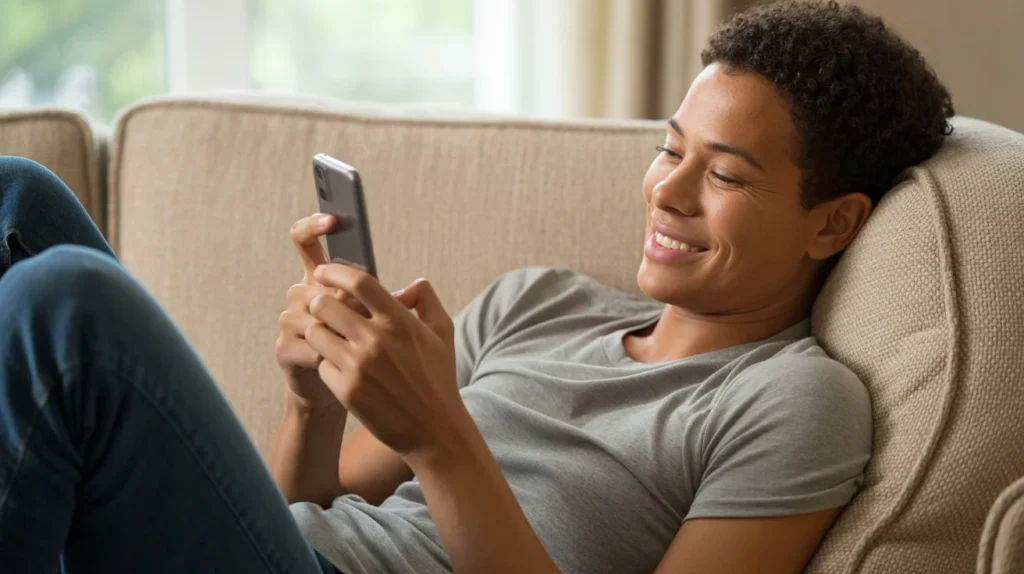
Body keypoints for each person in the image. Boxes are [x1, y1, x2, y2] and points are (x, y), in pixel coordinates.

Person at [0, 1, 954, 573]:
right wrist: (310, 400)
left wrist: (445, 439)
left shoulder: (792, 399)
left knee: (70, 308)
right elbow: (310, 511)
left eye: (727, 175)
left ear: (833, 221)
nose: (665, 188)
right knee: (21, 197)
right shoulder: (535, 304)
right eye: (670, 149)